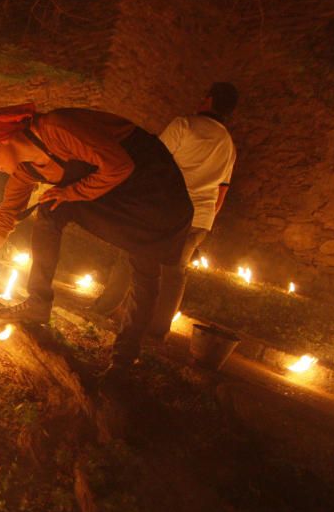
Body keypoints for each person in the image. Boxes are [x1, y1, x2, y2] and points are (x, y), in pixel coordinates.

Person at [0, 103, 192, 374]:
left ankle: (123, 359)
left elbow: (119, 165)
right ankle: (38, 302)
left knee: (145, 267)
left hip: (153, 189)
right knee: (50, 208)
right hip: (112, 192)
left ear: (5, 139)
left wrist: (71, 193)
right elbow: (2, 225)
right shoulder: (25, 172)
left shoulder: (56, 128)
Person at [91, 83, 238, 340]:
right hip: (200, 218)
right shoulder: (228, 144)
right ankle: (157, 331)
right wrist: (206, 219)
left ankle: (104, 308)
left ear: (208, 99)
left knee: (132, 254)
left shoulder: (184, 125)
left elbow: (153, 160)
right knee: (174, 274)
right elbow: (222, 189)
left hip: (165, 209)